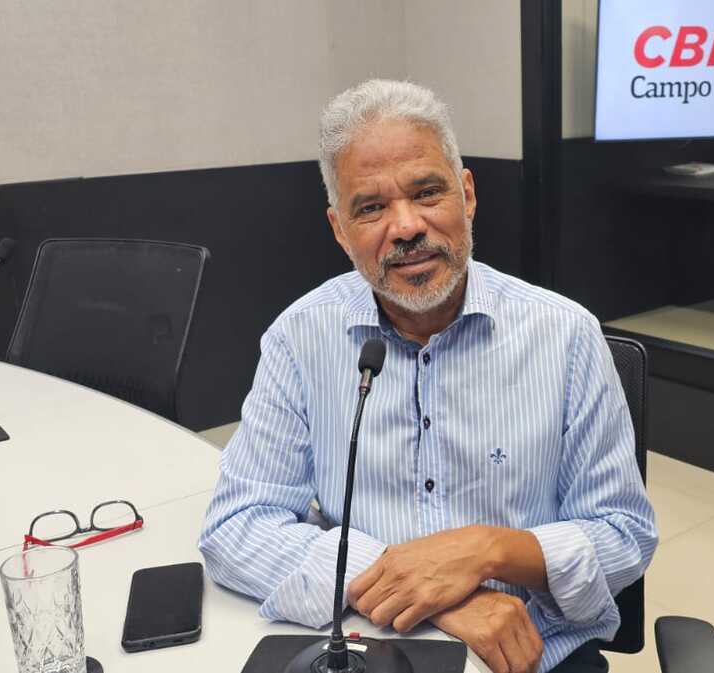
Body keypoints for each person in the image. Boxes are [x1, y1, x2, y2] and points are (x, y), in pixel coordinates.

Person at [199, 79, 657, 673]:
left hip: (528, 653)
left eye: (427, 192)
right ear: (340, 229)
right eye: (371, 207)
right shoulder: (299, 336)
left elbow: (624, 535)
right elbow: (236, 527)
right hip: (371, 644)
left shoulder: (566, 334)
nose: (407, 225)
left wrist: (486, 550)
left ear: (466, 195)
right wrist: (425, 590)